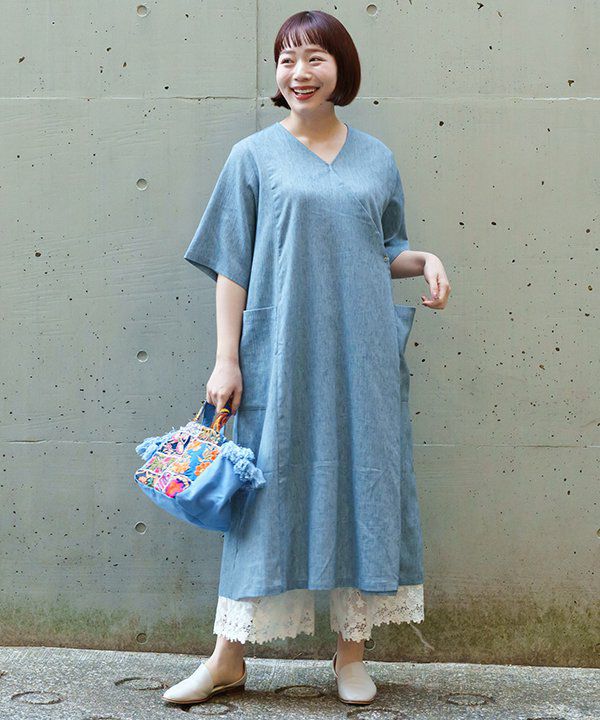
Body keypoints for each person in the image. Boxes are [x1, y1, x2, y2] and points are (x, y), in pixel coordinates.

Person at [163, 9, 450, 707]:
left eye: (315, 58)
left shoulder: (376, 159)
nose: (299, 72)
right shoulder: (253, 157)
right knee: (262, 498)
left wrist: (423, 259)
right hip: (280, 356)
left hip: (361, 358)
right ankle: (227, 659)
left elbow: (384, 249)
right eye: (288, 59)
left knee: (363, 488)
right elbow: (231, 265)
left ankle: (351, 655)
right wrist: (226, 359)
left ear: (341, 68)